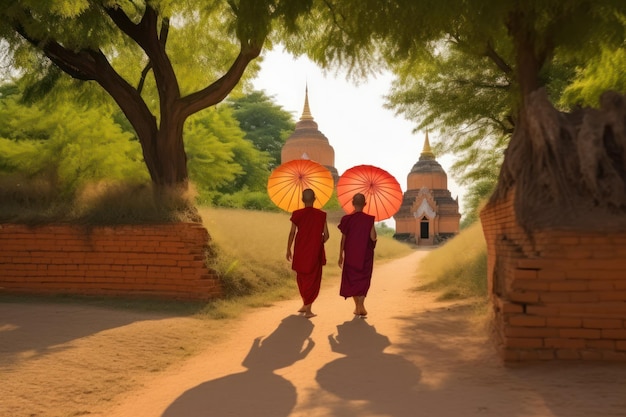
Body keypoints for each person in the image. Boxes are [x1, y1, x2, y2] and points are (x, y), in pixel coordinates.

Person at [286, 188, 329, 318]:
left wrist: (288, 248)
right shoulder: (321, 215)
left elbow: (292, 232)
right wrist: (318, 240)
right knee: (313, 279)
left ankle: (305, 304)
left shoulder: (297, 214)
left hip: (300, 250)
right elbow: (326, 235)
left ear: (302, 200)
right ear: (314, 199)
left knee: (302, 278)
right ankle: (308, 308)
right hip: (314, 251)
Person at [338, 193, 377, 317]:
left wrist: (340, 255)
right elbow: (373, 237)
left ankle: (357, 306)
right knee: (363, 279)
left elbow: (343, 239)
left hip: (350, 254)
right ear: (365, 204)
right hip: (365, 254)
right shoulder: (369, 219)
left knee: (352, 280)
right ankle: (361, 305)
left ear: (352, 203)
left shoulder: (346, 219)